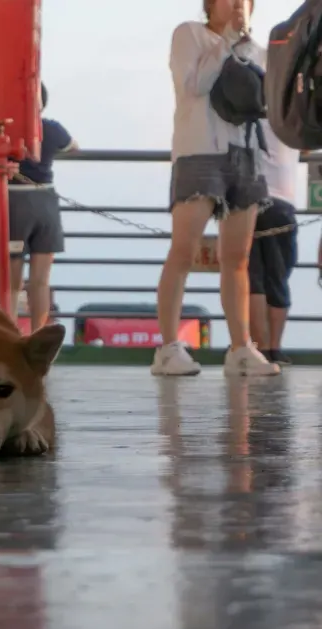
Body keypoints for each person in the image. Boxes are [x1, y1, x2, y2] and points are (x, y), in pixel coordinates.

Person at [151, 0, 279, 377]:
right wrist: (225, 42)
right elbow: (193, 85)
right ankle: (169, 347)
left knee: (238, 258)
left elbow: (264, 101)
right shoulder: (189, 35)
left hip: (246, 154)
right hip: (199, 151)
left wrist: (242, 44)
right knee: (184, 250)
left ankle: (241, 347)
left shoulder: (257, 49)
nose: (238, 5)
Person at [6, 83, 78, 331]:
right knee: (40, 281)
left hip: (13, 201)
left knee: (11, 280)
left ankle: (9, 331)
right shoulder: (52, 129)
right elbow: (73, 146)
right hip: (45, 201)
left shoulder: (7, 130)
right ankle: (37, 334)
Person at [248, 124, 299, 366]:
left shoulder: (248, 107)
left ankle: (260, 349)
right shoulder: (290, 115)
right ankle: (275, 348)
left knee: (253, 280)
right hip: (281, 202)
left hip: (248, 198)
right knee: (278, 278)